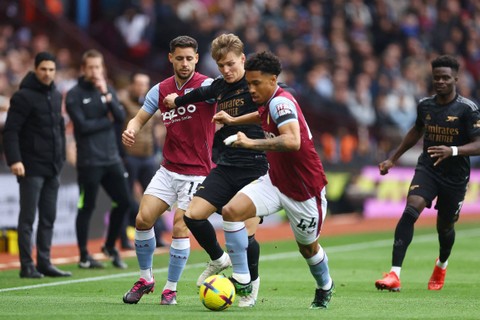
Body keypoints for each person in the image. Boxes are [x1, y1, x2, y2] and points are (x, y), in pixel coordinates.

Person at [211, 51, 334, 309]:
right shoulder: (268, 103)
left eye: (256, 83)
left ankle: (325, 286)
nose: (251, 88)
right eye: (249, 83)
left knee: (308, 250)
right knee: (231, 212)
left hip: (303, 190)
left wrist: (250, 142)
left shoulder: (282, 103)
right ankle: (242, 278)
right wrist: (234, 120)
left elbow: (292, 141)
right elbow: (261, 115)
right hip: (275, 181)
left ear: (273, 80)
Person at [163, 33, 267, 307]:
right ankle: (219, 259)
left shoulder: (257, 84)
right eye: (221, 66)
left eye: (231, 64)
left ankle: (251, 284)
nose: (226, 70)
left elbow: (269, 110)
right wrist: (177, 101)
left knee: (247, 234)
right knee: (192, 216)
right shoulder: (220, 86)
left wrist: (233, 120)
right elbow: (198, 94)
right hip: (225, 167)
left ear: (243, 60)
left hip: (256, 168)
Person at [121, 35, 216, 305]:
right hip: (168, 169)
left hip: (196, 172)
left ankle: (170, 289)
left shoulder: (207, 85)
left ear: (197, 59)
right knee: (142, 220)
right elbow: (139, 118)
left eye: (189, 58)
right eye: (180, 58)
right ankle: (146, 278)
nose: (184, 63)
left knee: (179, 227)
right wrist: (131, 129)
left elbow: (224, 94)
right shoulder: (160, 89)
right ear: (170, 58)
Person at [374, 55, 480, 292]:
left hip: (455, 177)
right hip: (428, 169)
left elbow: (479, 143)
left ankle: (441, 264)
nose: (440, 81)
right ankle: (394, 274)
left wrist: (452, 150)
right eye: (436, 78)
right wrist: (392, 158)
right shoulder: (425, 105)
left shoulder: (468, 109)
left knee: (445, 227)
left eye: (445, 78)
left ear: (456, 79)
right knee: (411, 209)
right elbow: (416, 130)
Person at [3, 52, 71, 278]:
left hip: (52, 167)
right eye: (43, 69)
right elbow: (11, 131)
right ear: (35, 69)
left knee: (49, 217)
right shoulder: (23, 96)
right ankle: (26, 265)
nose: (48, 73)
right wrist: (15, 160)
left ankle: (44, 262)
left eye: (51, 69)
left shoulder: (55, 94)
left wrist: (61, 156)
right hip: (30, 166)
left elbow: (59, 128)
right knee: (28, 218)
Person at [66, 49, 130, 269]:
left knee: (125, 201)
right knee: (88, 207)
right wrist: (107, 119)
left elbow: (120, 118)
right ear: (83, 69)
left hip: (111, 158)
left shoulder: (107, 89)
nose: (95, 71)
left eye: (98, 67)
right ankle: (84, 256)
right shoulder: (74, 94)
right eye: (91, 67)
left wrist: (107, 97)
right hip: (89, 161)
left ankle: (110, 245)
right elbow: (82, 127)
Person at [118, 72, 166, 250]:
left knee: (156, 197)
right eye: (138, 84)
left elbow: (155, 129)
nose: (141, 88)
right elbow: (117, 128)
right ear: (131, 85)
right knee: (125, 197)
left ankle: (159, 236)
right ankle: (123, 239)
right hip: (129, 157)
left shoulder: (150, 104)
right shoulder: (123, 102)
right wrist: (121, 155)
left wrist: (155, 151)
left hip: (148, 157)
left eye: (145, 84)